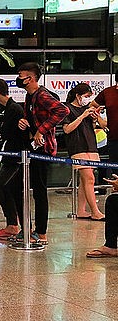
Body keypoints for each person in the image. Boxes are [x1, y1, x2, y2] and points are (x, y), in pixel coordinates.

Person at [16, 62, 69, 245]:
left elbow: (62, 110)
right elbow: (31, 118)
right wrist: (25, 122)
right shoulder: (29, 97)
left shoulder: (42, 95)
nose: (19, 79)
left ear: (30, 78)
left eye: (21, 76)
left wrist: (41, 130)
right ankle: (28, 228)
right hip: (31, 148)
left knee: (39, 190)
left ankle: (41, 232)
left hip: (43, 149)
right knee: (22, 187)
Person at [0, 79, 27, 239]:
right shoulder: (11, 108)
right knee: (5, 188)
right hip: (11, 156)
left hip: (15, 157)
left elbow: (4, 132)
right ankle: (12, 222)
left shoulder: (13, 109)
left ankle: (13, 224)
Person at [62, 83, 105, 221]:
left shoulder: (87, 109)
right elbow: (67, 129)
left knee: (85, 179)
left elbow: (92, 127)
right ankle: (95, 211)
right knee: (89, 178)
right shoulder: (67, 108)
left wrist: (93, 118)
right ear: (78, 96)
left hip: (90, 145)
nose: (88, 99)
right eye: (86, 96)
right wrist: (82, 115)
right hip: (77, 146)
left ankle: (81, 210)